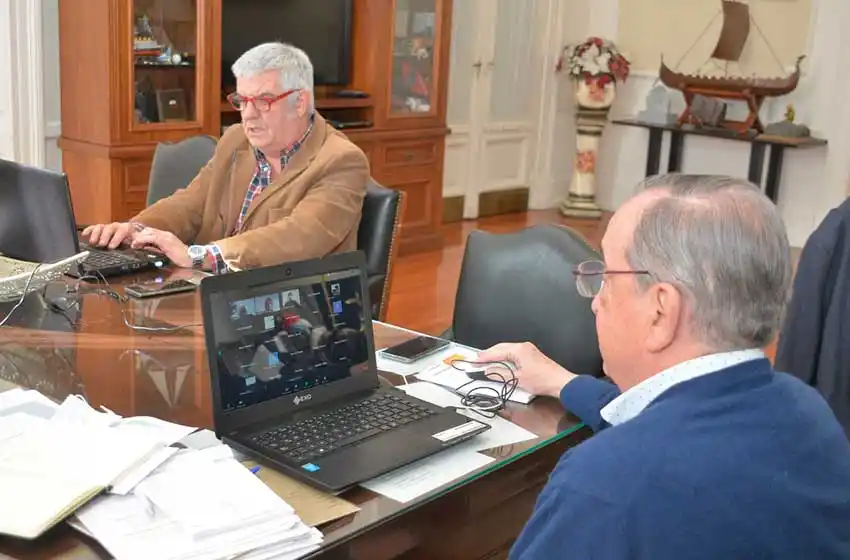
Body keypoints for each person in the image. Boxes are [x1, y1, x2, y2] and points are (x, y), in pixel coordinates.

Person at [477, 174, 850, 559]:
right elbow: (683, 421)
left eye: (607, 276)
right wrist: (564, 382)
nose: (594, 301)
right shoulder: (811, 415)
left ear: (660, 311)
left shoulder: (607, 487)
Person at [81, 42, 369, 273]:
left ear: (299, 103)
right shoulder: (235, 140)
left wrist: (198, 256)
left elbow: (298, 237)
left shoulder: (341, 161)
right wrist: (137, 230)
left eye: (263, 101)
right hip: (216, 293)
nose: (249, 115)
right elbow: (191, 203)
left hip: (295, 309)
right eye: (242, 101)